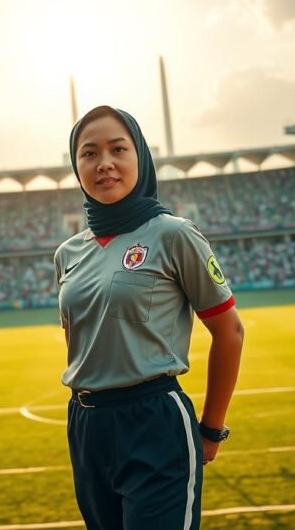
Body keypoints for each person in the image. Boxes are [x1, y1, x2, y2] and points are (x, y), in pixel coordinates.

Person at [55, 106, 244, 529]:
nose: (104, 163)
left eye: (118, 149)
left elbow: (229, 331)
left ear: (140, 155)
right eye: (89, 153)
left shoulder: (173, 233)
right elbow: (77, 342)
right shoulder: (67, 253)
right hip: (86, 426)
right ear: (76, 166)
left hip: (153, 420)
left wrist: (212, 429)